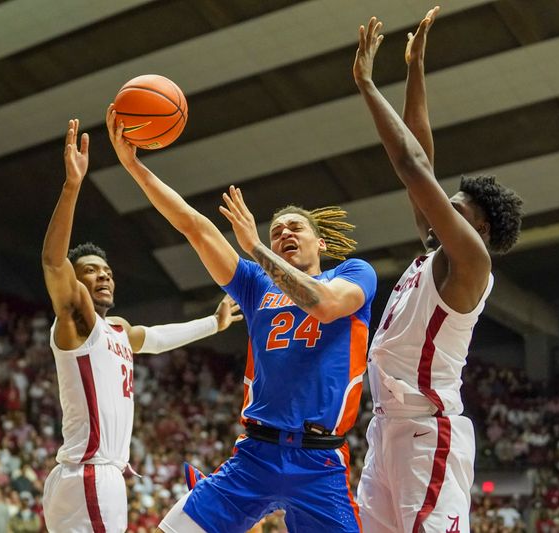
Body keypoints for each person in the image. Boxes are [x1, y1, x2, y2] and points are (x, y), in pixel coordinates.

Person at [105, 103, 377, 533]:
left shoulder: (354, 273)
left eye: (294, 228)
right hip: (256, 452)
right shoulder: (255, 283)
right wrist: (133, 166)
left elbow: (323, 305)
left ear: (320, 242)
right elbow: (194, 226)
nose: (284, 233)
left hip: (319, 460)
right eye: (276, 231)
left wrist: (257, 248)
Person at [353, 10, 523, 533]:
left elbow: (412, 166)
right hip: (385, 433)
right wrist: (416, 70)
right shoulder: (433, 256)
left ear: (482, 229)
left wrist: (365, 83)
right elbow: (421, 156)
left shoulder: (471, 263)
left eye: (455, 210)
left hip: (429, 433)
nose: (437, 211)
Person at [41, 119, 242, 533]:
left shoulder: (116, 330)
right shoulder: (80, 322)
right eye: (92, 271)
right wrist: (72, 187)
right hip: (90, 474)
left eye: (107, 270)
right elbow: (53, 263)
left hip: (95, 477)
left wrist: (213, 323)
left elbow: (155, 339)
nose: (104, 276)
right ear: (77, 284)